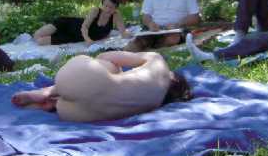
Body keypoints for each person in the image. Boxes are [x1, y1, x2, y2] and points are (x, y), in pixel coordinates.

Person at [11, 51, 191, 122]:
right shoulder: (156, 102)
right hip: (75, 114)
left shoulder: (158, 61)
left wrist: (115, 69)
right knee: (110, 87)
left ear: (173, 77)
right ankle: (54, 102)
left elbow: (106, 56)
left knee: (112, 66)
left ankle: (47, 91)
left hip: (75, 77)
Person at [32, 0, 131, 46]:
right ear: (102, 4)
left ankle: (49, 31)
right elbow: (84, 27)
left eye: (111, 7)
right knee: (36, 35)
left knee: (40, 42)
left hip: (74, 37)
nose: (108, 9)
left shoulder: (116, 15)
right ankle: (46, 26)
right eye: (106, 6)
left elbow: (123, 33)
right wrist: (88, 40)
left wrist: (132, 37)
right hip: (69, 24)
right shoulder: (96, 10)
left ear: (116, 8)